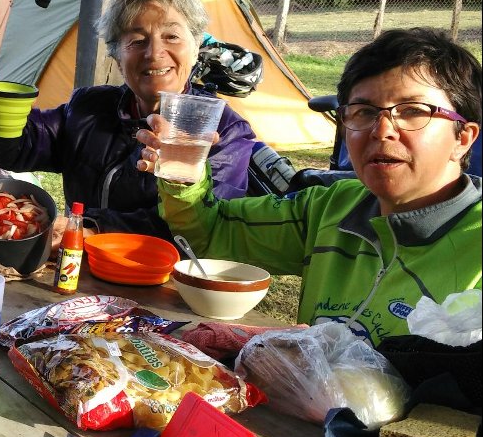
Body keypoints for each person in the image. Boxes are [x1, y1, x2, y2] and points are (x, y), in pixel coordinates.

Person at [137, 27, 481, 345]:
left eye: (411, 111)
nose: (382, 130)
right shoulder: (330, 209)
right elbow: (214, 233)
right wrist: (184, 171)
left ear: (463, 138)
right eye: (363, 111)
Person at [0, 0, 257, 252]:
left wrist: (95, 229)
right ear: (117, 57)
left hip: (163, 282)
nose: (155, 52)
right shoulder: (89, 108)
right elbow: (18, 150)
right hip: (76, 266)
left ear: (195, 50)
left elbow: (204, 225)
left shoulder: (224, 131)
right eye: (136, 41)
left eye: (171, 36)